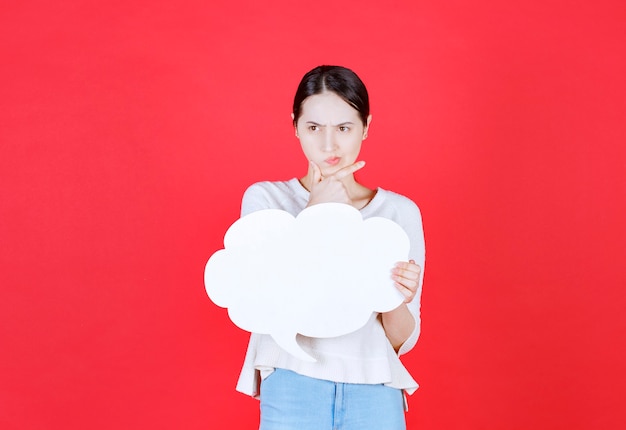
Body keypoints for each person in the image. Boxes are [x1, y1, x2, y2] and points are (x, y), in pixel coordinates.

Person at [235, 65, 425, 430]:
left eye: (343, 128)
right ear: (294, 126)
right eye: (313, 128)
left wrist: (398, 296)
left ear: (366, 126)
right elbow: (261, 301)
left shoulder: (398, 212)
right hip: (292, 384)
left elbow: (401, 339)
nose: (328, 145)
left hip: (376, 390)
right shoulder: (266, 201)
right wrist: (316, 211)